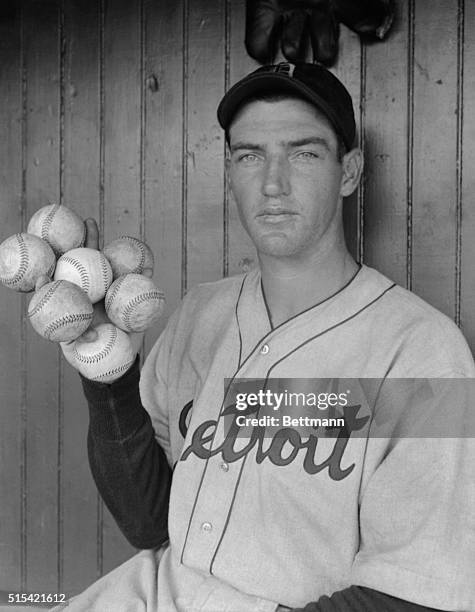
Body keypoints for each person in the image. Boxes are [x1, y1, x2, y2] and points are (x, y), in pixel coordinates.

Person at [51, 62, 475, 611]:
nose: (273, 184)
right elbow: (147, 522)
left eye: (304, 153)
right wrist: (109, 382)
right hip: (151, 593)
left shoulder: (422, 351)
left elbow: (416, 594)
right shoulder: (199, 313)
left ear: (349, 171)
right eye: (250, 156)